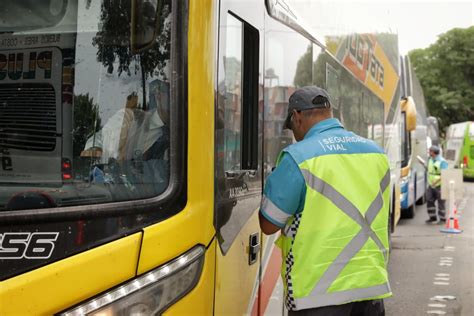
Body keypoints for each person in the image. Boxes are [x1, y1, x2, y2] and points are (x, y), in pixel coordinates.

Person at [259, 86, 391, 315]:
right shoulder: (376, 153)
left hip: (317, 297)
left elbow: (269, 224)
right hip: (370, 288)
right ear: (329, 112)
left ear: (297, 117)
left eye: (292, 128)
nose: (295, 134)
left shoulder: (297, 157)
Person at [426, 145, 448, 224]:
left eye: (430, 151)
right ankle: (432, 217)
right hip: (431, 185)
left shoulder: (442, 162)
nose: (429, 152)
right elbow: (430, 170)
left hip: (440, 185)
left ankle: (442, 219)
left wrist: (435, 182)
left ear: (433, 152)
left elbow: (445, 174)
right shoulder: (430, 160)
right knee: (429, 200)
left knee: (441, 202)